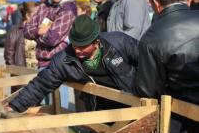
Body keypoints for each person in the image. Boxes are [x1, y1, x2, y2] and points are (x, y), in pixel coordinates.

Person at [8, 15, 139, 113]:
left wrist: (149, 93)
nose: (77, 50)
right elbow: (41, 84)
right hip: (100, 109)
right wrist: (14, 106)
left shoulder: (119, 42)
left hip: (133, 102)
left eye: (82, 46)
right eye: (75, 45)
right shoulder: (64, 60)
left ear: (95, 41)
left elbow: (147, 62)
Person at [133, 0, 199, 133]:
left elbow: (148, 88)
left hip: (179, 110)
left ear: (155, 3)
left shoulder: (151, 36)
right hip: (184, 105)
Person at [23, 0, 77, 109]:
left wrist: (36, 38)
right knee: (46, 107)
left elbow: (52, 39)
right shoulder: (44, 6)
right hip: (42, 62)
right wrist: (39, 31)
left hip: (59, 63)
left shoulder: (68, 8)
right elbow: (26, 30)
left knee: (59, 108)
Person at [4, 2, 39, 92]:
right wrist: (16, 73)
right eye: (37, 14)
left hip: (38, 75)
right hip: (21, 75)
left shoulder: (40, 30)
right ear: (28, 15)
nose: (40, 17)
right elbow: (9, 55)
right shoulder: (15, 30)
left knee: (38, 104)